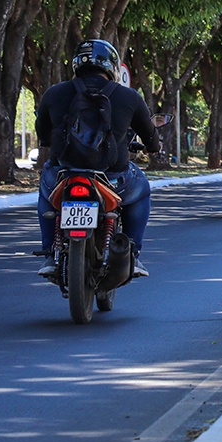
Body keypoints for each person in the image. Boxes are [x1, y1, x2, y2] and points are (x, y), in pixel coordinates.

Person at [35, 39, 160, 277]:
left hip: (63, 174)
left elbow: (43, 133)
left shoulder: (54, 93)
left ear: (76, 64)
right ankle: (133, 253)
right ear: (111, 66)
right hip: (113, 178)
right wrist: (153, 147)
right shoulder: (129, 96)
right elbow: (150, 135)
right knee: (142, 188)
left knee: (45, 188)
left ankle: (50, 253)